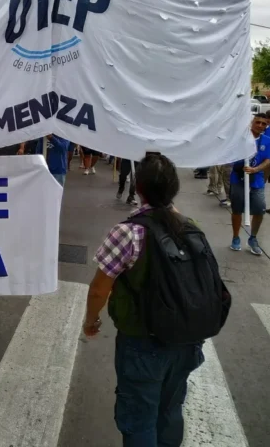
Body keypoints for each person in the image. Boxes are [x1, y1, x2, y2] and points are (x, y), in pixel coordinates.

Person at [84, 153, 206, 446]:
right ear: (175, 188)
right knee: (170, 410)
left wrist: (91, 320)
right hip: (188, 339)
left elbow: (100, 289)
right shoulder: (191, 227)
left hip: (143, 342)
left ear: (138, 188)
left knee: (139, 418)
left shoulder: (128, 232)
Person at [230, 113, 270, 255]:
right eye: (257, 122)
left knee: (260, 208)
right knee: (237, 209)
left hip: (257, 179)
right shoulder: (241, 138)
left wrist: (255, 169)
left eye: (263, 124)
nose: (260, 125)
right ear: (251, 122)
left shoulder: (267, 140)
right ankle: (235, 237)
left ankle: (253, 238)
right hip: (238, 178)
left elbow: (267, 160)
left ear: (267, 126)